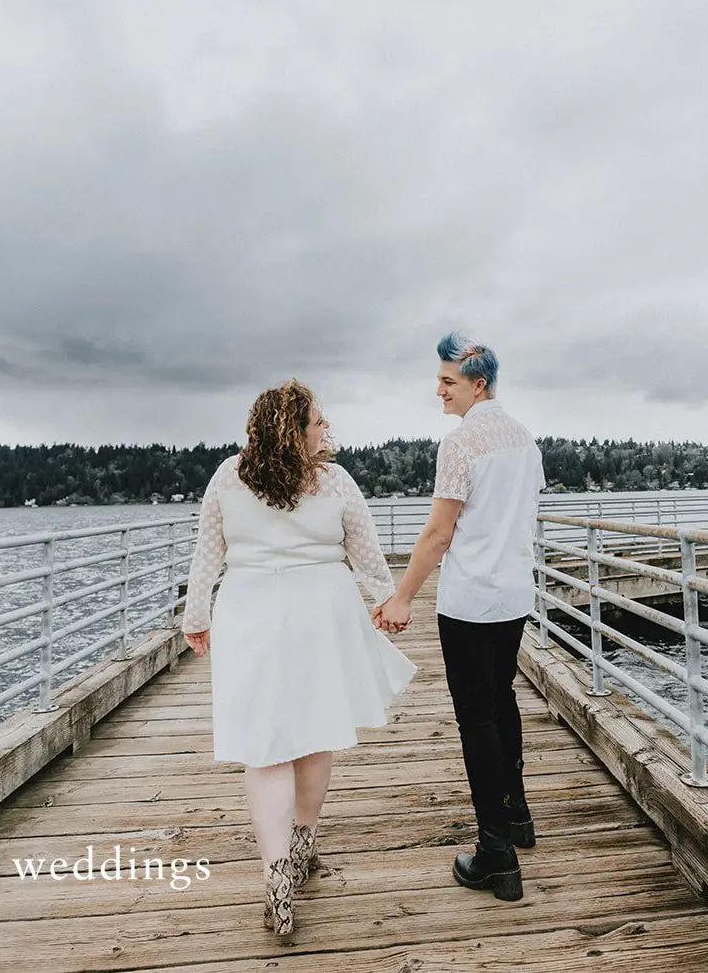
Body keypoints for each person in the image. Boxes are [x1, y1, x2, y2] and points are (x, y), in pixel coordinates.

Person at [181, 379, 417, 936]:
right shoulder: (333, 482)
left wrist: (197, 616)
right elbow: (365, 552)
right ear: (295, 430)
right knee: (314, 732)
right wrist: (385, 599)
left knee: (264, 747)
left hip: (250, 613)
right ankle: (303, 843)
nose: (327, 430)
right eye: (318, 422)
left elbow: (207, 555)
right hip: (321, 614)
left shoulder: (228, 475)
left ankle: (277, 874)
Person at [373, 333, 545, 902]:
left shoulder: (461, 444)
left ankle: (495, 851)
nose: (439, 390)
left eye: (448, 381)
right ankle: (517, 815)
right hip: (515, 595)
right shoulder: (524, 439)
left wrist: (402, 598)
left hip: (471, 601)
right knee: (502, 699)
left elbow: (438, 534)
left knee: (477, 718)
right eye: (439, 379)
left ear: (480, 384)